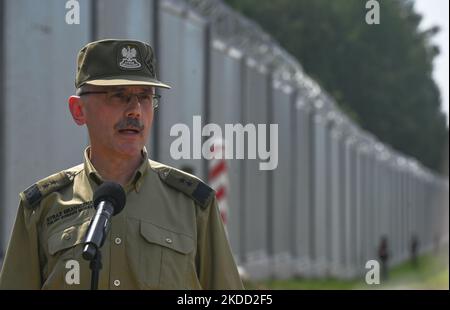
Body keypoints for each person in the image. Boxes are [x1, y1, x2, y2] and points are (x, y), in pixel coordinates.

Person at [0, 39, 243, 290]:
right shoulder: (42, 207)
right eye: (119, 96)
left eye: (145, 97)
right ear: (78, 110)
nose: (135, 111)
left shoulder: (192, 206)